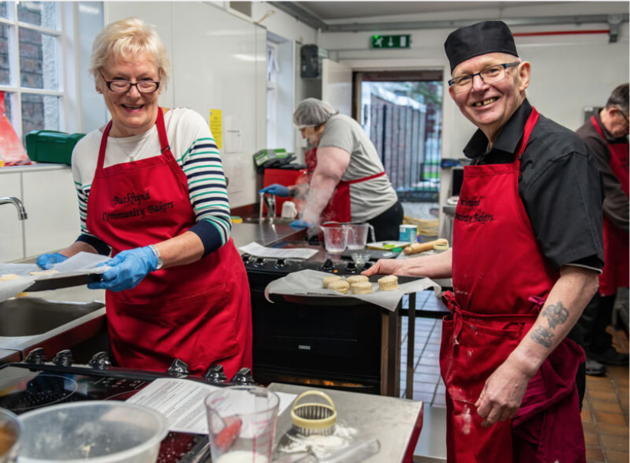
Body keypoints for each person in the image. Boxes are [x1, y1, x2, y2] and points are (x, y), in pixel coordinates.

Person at [364, 20, 604, 463]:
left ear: (522, 75)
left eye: (492, 70)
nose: (479, 87)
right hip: (473, 351)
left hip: (527, 362)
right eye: (463, 79)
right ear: (452, 92)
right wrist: (401, 268)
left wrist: (519, 367)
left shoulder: (558, 155)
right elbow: (487, 255)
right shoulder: (483, 155)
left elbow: (581, 276)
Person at [36, 17, 251, 378]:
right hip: (136, 319)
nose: (133, 93)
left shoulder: (186, 129)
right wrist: (67, 256)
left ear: (160, 82)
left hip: (206, 314)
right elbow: (96, 238)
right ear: (99, 82)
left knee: (212, 422)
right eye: (119, 80)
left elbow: (216, 225)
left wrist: (151, 256)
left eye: (145, 80)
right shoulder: (86, 153)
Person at [260, 98, 404, 241]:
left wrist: (310, 216)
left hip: (375, 217)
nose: (303, 136)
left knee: (372, 263)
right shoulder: (338, 127)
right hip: (367, 217)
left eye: (303, 129)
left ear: (314, 123)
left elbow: (326, 177)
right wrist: (289, 191)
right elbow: (325, 188)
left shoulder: (338, 125)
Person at [575, 84, 629, 374]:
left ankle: (600, 345)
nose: (627, 132)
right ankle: (581, 354)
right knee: (592, 293)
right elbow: (612, 195)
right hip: (597, 228)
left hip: (617, 230)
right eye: (628, 124)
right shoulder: (590, 140)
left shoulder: (617, 137)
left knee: (609, 294)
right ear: (612, 112)